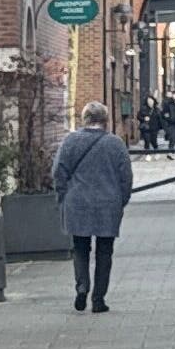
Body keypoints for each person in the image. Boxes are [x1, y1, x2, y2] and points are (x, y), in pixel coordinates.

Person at [52, 101, 134, 313]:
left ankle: (82, 287)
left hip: (77, 202)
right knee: (105, 251)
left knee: (80, 248)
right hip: (108, 203)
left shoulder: (70, 141)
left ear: (84, 119)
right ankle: (99, 299)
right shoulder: (115, 144)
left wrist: (63, 196)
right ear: (105, 120)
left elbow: (58, 172)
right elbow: (126, 177)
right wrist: (121, 200)